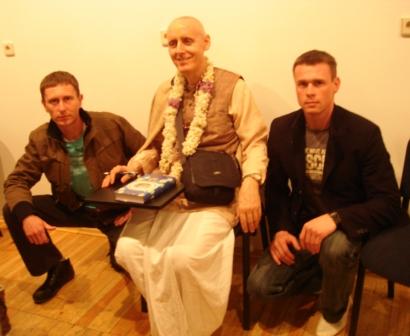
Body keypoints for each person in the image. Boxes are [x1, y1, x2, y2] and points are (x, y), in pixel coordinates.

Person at [103, 16, 268, 336]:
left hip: (215, 195)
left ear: (206, 42)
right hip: (169, 192)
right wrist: (133, 167)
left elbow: (255, 142)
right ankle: (175, 321)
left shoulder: (234, 85)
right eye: (172, 43)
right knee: (128, 250)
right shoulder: (164, 91)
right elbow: (156, 147)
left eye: (187, 41)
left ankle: (196, 327)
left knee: (183, 258)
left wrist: (251, 184)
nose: (179, 49)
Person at [247, 49, 402, 336]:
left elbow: (389, 202)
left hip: (346, 225)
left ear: (336, 84)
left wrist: (336, 218)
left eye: (318, 83)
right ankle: (335, 276)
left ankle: (335, 308)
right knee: (260, 286)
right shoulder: (282, 128)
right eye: (302, 84)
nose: (309, 92)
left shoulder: (363, 133)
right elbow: (277, 190)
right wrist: (280, 229)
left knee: (337, 248)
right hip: (302, 224)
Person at [3, 71, 145, 304]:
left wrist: (137, 206)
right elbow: (17, 180)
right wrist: (27, 216)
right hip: (72, 206)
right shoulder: (40, 138)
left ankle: (121, 252)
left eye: (67, 99)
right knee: (14, 210)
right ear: (44, 105)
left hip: (116, 211)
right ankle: (57, 267)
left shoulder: (112, 123)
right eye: (53, 101)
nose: (61, 107)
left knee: (129, 259)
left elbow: (150, 158)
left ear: (80, 98)